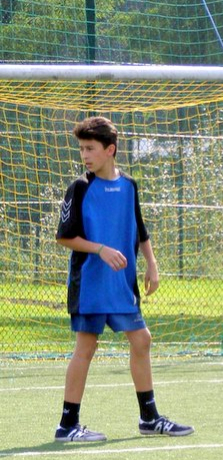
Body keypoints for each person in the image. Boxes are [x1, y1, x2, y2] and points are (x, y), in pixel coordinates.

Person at [54, 117, 195, 442]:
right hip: (90, 285)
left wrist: (152, 264)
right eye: (82, 149)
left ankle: (149, 418)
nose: (85, 155)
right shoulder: (80, 187)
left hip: (121, 286)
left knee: (142, 340)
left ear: (110, 150)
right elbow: (64, 236)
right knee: (86, 346)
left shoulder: (129, 186)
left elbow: (140, 229)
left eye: (90, 148)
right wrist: (100, 249)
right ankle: (67, 425)